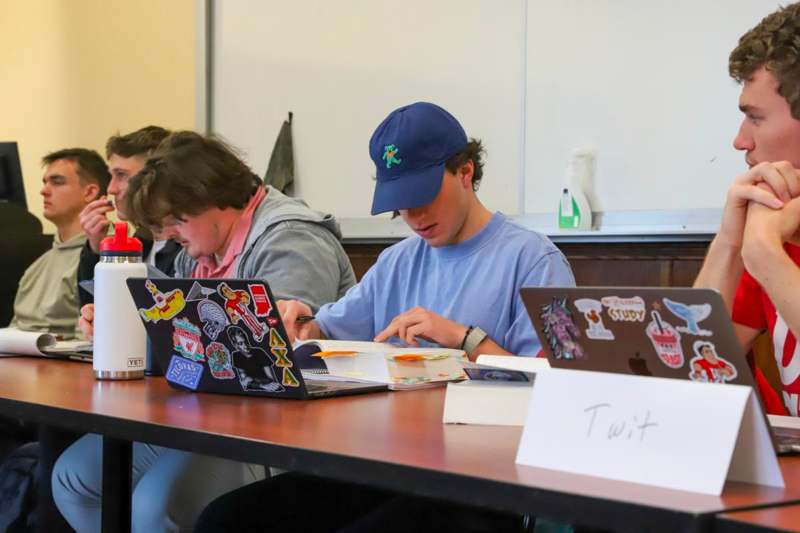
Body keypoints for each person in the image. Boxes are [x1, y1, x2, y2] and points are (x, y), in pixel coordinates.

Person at [194, 102, 575, 532]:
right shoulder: (398, 260)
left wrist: (465, 338)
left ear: (465, 172)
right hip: (384, 464)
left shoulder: (532, 260)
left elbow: (560, 388)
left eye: (424, 198)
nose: (413, 218)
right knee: (226, 520)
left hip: (479, 483)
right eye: (400, 206)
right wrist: (303, 323)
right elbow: (329, 328)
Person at [53, 131, 357, 533]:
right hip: (206, 415)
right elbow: (180, 345)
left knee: (155, 506)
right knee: (74, 478)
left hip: (277, 428)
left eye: (177, 220)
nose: (168, 235)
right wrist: (121, 323)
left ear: (214, 197)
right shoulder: (199, 250)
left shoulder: (293, 238)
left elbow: (275, 361)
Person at [694, 1, 800, 416]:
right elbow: (693, 372)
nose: (740, 141)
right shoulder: (775, 230)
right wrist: (730, 240)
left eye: (755, 118)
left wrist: (763, 253)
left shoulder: (768, 245)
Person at [10, 149, 110, 338]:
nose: (44, 190)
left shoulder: (110, 258)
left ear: (90, 192)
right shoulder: (37, 266)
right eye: (45, 182)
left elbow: (87, 341)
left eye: (57, 182)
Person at [77, 126, 180, 307]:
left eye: (122, 175)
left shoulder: (189, 246)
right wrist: (97, 248)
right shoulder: (142, 239)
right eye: (112, 176)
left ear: (157, 177)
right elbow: (91, 307)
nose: (111, 189)